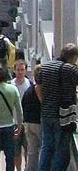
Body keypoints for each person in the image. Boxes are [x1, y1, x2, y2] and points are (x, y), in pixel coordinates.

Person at [34, 43, 78, 171]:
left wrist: (44, 102)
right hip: (63, 115)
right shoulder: (70, 69)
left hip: (46, 113)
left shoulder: (46, 66)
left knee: (47, 147)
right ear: (73, 57)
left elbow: (38, 87)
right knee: (62, 150)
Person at [10, 61, 34, 171]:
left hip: (27, 122)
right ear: (14, 70)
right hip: (14, 122)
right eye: (18, 70)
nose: (20, 72)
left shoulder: (30, 84)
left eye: (22, 70)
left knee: (28, 149)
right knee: (16, 150)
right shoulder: (10, 85)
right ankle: (18, 169)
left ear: (25, 70)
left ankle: (27, 168)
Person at [20, 82, 42, 171]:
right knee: (43, 148)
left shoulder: (28, 90)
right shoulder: (41, 90)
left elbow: (23, 104)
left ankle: (30, 169)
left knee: (32, 150)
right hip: (38, 122)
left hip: (28, 123)